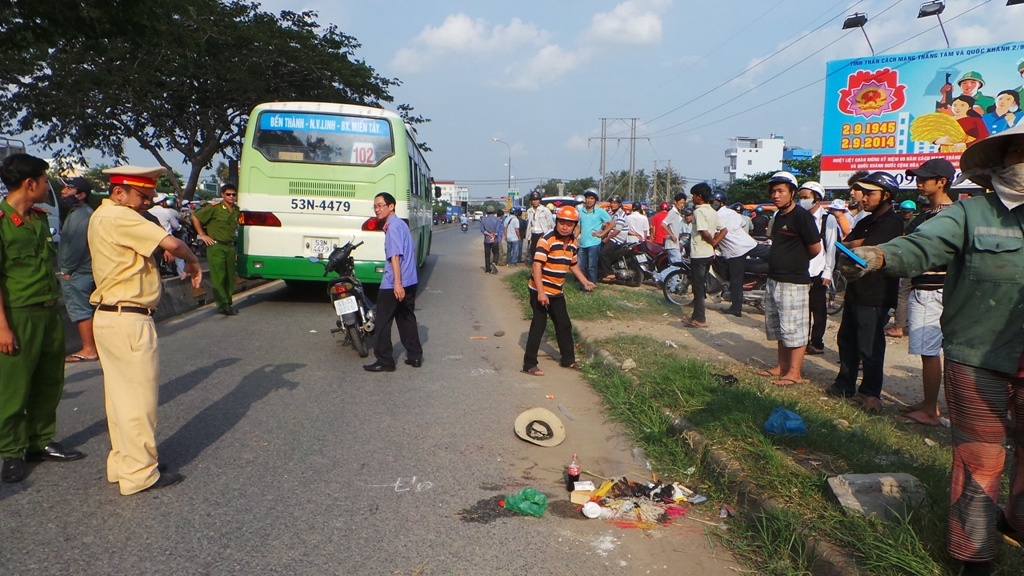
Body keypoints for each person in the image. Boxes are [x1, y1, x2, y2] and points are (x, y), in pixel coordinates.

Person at [840, 122, 1024, 576]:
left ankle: (1017, 523)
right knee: (981, 456)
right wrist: (880, 257)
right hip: (980, 359)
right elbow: (919, 246)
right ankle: (972, 557)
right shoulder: (969, 214)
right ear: (1002, 161)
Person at [89, 165, 202, 494]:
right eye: (141, 196)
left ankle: (125, 461)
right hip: (129, 317)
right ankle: (140, 473)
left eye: (150, 197)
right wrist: (193, 261)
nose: (145, 203)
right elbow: (174, 244)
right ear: (119, 192)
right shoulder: (122, 217)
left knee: (119, 399)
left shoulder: (102, 215)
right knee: (138, 401)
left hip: (110, 316)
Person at [0, 154, 86, 484]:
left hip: (49, 312)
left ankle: (40, 441)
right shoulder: (1, 221)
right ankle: (11, 451)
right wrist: (3, 327)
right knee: (12, 388)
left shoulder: (37, 218)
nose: (48, 185)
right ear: (29, 183)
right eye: (45, 179)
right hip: (18, 315)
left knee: (50, 381)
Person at [827, 171, 904, 413]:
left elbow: (870, 249)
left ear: (886, 196)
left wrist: (855, 244)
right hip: (856, 289)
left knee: (870, 346)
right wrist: (855, 243)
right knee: (847, 339)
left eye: (871, 193)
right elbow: (847, 242)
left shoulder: (892, 222)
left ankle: (870, 392)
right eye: (865, 193)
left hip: (876, 293)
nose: (865, 198)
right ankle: (844, 385)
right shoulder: (864, 221)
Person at [895, 158, 956, 427]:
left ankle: (931, 409)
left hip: (935, 289)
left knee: (930, 350)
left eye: (924, 178)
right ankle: (929, 402)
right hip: (928, 287)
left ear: (941, 182)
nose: (918, 182)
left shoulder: (950, 214)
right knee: (928, 351)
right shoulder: (930, 214)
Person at [761, 171, 821, 386]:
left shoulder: (801, 217)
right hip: (774, 279)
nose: (776, 195)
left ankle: (794, 372)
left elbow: (815, 248)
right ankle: (781, 366)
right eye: (773, 191)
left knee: (795, 328)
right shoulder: (778, 216)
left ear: (792, 193)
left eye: (781, 191)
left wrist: (794, 261)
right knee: (779, 326)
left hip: (794, 281)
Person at [522, 205, 595, 376]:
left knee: (564, 324)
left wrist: (585, 281)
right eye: (562, 223)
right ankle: (529, 364)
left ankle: (568, 360)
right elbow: (537, 266)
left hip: (556, 291)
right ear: (556, 222)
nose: (565, 227)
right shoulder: (546, 239)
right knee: (539, 325)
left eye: (569, 224)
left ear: (575, 226)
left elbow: (573, 264)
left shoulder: (572, 243)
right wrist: (540, 292)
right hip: (539, 289)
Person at [364, 192, 424, 373]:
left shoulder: (392, 228)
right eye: (375, 206)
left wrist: (397, 283)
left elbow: (395, 257)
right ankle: (414, 356)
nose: (377, 209)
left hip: (394, 283)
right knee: (406, 317)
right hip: (411, 280)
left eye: (381, 205)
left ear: (391, 206)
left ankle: (385, 361)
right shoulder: (402, 224)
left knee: (382, 322)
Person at [58, 177, 99, 363]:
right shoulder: (79, 213)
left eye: (69, 188)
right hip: (83, 270)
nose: (64, 192)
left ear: (81, 195)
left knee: (80, 310)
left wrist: (66, 270)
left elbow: (75, 247)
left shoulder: (81, 216)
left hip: (79, 271)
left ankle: (89, 349)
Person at [797, 181, 838, 355]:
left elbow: (831, 246)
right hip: (800, 270)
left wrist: (828, 271)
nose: (802, 201)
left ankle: (817, 342)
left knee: (818, 309)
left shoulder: (827, 219)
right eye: (801, 197)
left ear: (817, 199)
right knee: (801, 309)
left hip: (818, 271)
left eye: (806, 197)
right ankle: (801, 341)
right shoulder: (798, 216)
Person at [711, 190, 766, 318]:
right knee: (773, 256)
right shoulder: (732, 212)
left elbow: (714, 234)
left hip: (734, 250)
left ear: (721, 202)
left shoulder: (714, 217)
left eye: (714, 202)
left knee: (736, 281)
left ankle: (736, 309)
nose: (712, 204)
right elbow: (742, 224)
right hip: (748, 243)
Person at [192, 184, 240, 315]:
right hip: (216, 246)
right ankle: (223, 305)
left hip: (230, 247)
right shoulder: (215, 208)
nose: (231, 197)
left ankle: (228, 302)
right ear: (223, 195)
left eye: (233, 194)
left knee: (230, 277)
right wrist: (202, 235)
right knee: (219, 276)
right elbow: (195, 217)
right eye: (228, 194)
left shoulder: (236, 210)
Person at [681, 184, 725, 328]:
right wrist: (715, 243)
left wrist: (712, 242)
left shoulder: (699, 212)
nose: (692, 198)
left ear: (699, 196)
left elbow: (703, 231)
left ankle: (700, 319)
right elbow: (724, 230)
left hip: (699, 253)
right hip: (708, 254)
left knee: (698, 288)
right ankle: (695, 316)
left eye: (693, 195)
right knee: (700, 285)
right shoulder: (712, 211)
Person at [577, 189, 613, 284]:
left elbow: (612, 223)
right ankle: (583, 285)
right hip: (583, 243)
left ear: (595, 200)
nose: (589, 200)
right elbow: (578, 227)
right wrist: (574, 239)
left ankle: (592, 285)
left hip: (594, 243)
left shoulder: (600, 211)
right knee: (580, 266)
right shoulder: (581, 211)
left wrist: (601, 233)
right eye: (588, 198)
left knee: (591, 267)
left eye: (592, 198)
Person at [149, 193, 185, 276]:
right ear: (162, 203)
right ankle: (182, 275)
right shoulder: (167, 212)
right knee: (179, 257)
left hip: (153, 240)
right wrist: (180, 228)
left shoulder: (148, 212)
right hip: (167, 239)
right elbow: (176, 226)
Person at [598, 195, 631, 281]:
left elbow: (617, 230)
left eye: (615, 203)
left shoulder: (621, 214)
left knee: (603, 253)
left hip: (617, 238)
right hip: (613, 237)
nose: (613, 205)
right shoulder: (612, 213)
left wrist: (607, 238)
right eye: (612, 203)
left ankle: (609, 273)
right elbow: (607, 224)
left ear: (619, 204)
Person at [524, 191, 554, 263]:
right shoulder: (529, 211)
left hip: (542, 234)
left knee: (543, 252)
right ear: (531, 201)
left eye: (537, 199)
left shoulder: (545, 210)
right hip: (533, 234)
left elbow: (551, 223)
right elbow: (529, 224)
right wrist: (528, 237)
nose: (535, 201)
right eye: (533, 200)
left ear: (539, 200)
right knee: (533, 252)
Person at [661, 193, 687, 263]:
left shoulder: (676, 213)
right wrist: (672, 235)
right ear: (675, 202)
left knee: (674, 268)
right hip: (672, 244)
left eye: (683, 203)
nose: (682, 205)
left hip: (675, 244)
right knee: (677, 266)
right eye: (681, 203)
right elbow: (663, 224)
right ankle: (658, 275)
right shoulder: (672, 212)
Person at [479, 205, 503, 274]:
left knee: (487, 254)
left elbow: (482, 229)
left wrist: (488, 234)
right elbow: (498, 230)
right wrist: (494, 235)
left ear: (487, 212)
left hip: (487, 239)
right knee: (496, 252)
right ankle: (494, 262)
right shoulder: (497, 220)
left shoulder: (483, 220)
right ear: (494, 211)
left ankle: (487, 270)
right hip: (495, 239)